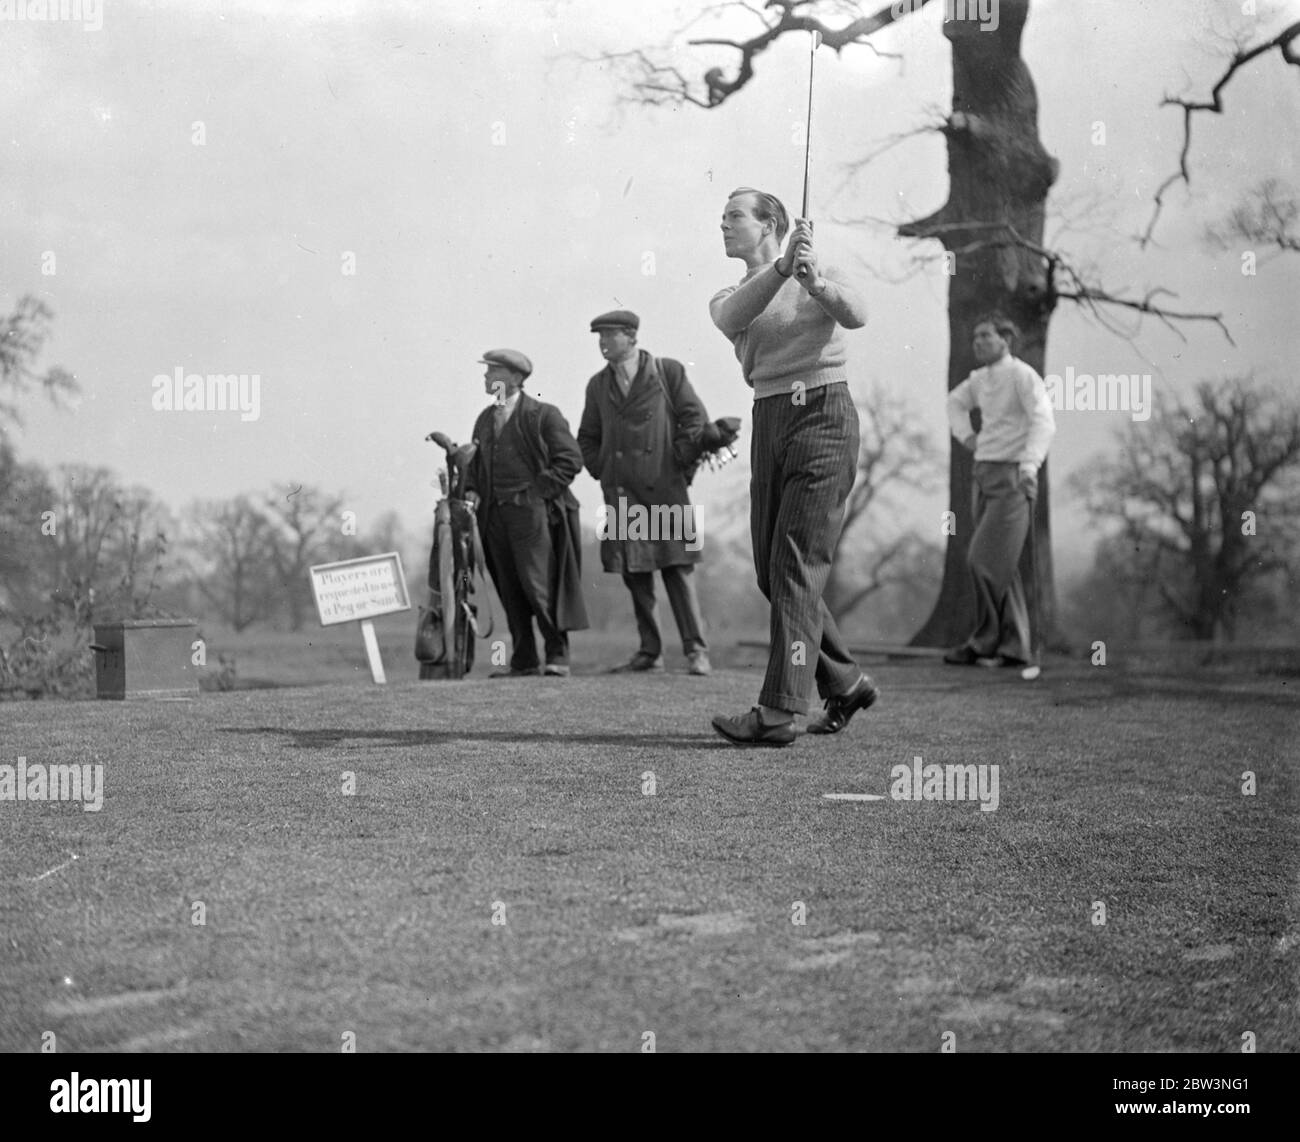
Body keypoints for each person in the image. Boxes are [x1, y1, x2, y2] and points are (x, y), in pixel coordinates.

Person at [707, 186, 879, 746]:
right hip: (770, 418)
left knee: (796, 565)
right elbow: (736, 314)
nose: (724, 225)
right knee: (771, 569)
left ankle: (779, 711)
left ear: (769, 222)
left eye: (735, 216)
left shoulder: (817, 268)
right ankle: (845, 682)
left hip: (824, 413)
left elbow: (857, 316)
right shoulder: (733, 292)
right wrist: (782, 269)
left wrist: (814, 281)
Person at [577, 309, 713, 676]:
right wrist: (603, 469)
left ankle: (696, 651)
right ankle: (650, 651)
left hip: (665, 490)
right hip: (623, 493)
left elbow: (694, 420)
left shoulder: (668, 372)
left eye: (610, 336)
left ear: (631, 337)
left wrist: (680, 464)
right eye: (599, 337)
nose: (603, 343)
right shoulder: (597, 385)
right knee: (635, 573)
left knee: (677, 571)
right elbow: (587, 437)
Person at [462, 349, 588, 677]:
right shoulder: (485, 420)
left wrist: (537, 493)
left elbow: (570, 460)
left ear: (516, 379)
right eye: (487, 372)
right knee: (509, 588)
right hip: (494, 518)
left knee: (539, 585)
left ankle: (557, 657)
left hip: (533, 517)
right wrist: (472, 490)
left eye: (494, 372)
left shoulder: (543, 415)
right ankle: (524, 660)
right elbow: (475, 469)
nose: (487, 377)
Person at [943, 315, 1056, 667]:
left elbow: (1043, 420)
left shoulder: (1022, 375)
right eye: (975, 337)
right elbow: (954, 404)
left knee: (983, 559)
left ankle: (985, 641)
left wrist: (1029, 465)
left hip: (1012, 477)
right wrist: (968, 436)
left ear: (1005, 339)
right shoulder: (979, 379)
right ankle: (1011, 647)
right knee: (1001, 565)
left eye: (986, 336)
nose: (978, 342)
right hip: (984, 473)